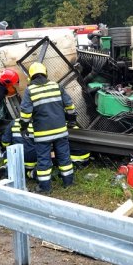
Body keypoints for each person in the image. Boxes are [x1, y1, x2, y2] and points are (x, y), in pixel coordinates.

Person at [19, 62, 77, 193]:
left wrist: (24, 127)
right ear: (45, 73)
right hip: (61, 131)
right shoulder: (57, 86)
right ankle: (68, 182)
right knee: (64, 157)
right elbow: (70, 105)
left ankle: (44, 187)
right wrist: (72, 121)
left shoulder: (30, 90)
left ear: (31, 76)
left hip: (42, 134)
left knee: (44, 160)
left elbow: (25, 113)